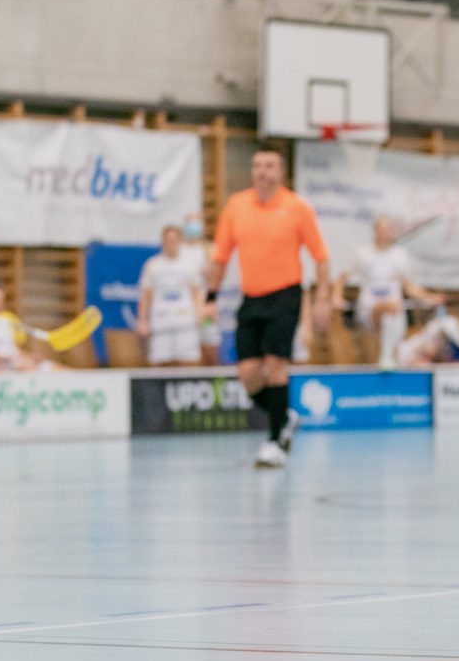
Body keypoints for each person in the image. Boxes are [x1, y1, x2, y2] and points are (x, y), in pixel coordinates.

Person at [205, 142, 333, 468]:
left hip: (285, 296)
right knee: (248, 374)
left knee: (276, 365)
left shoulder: (297, 208)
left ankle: (275, 443)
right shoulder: (236, 206)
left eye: (269, 166)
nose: (262, 172)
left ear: (281, 171)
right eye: (257, 165)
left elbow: (321, 258)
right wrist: (210, 298)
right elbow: (220, 258)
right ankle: (284, 416)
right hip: (252, 298)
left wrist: (322, 299)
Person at [332, 216, 442, 369]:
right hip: (369, 310)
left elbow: (409, 286)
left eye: (388, 229)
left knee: (393, 311)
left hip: (395, 311)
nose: (384, 233)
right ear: (375, 231)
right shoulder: (363, 253)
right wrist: (337, 297)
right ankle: (387, 355)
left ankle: (392, 354)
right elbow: (342, 276)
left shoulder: (400, 255)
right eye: (381, 229)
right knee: (389, 309)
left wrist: (429, 297)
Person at [137, 225, 204, 366]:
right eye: (167, 240)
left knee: (187, 361)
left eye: (174, 240)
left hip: (185, 319)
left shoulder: (190, 265)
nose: (170, 243)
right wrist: (142, 320)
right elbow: (145, 295)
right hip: (161, 319)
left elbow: (196, 293)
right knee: (158, 360)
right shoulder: (153, 265)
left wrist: (200, 315)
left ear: (180, 241)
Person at [178, 211, 221, 365]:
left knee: (209, 343)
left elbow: (214, 281)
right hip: (184, 308)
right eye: (190, 222)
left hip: (205, 306)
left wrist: (210, 303)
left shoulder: (209, 250)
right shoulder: (179, 250)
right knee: (186, 351)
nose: (193, 227)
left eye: (197, 223)